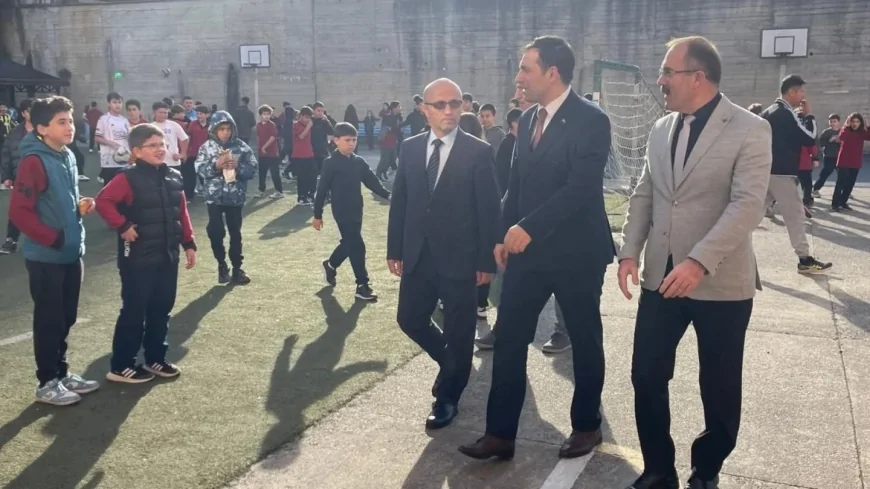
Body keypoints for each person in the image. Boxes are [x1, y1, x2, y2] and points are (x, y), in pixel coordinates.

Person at [618, 36, 773, 489]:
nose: (661, 80)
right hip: (661, 279)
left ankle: (706, 469)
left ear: (698, 77)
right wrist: (629, 251)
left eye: (668, 72)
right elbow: (645, 194)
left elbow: (748, 205)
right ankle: (658, 469)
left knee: (719, 388)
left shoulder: (749, 128)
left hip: (720, 283)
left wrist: (698, 262)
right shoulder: (660, 128)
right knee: (646, 375)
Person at [459, 36, 615, 461]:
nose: (519, 77)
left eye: (526, 68)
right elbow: (516, 185)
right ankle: (500, 434)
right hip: (528, 254)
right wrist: (502, 232)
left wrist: (528, 227)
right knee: (509, 339)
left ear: (552, 72)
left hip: (576, 253)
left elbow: (580, 189)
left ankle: (587, 426)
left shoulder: (591, 120)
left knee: (584, 339)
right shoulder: (527, 119)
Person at [387, 78, 501, 430]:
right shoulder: (410, 148)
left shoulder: (478, 151)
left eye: (455, 103)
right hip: (417, 254)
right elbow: (401, 200)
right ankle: (451, 365)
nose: (449, 110)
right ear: (425, 109)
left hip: (461, 259)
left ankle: (448, 397)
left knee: (460, 330)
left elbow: (489, 210)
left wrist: (486, 261)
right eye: (440, 104)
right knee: (409, 319)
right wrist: (395, 248)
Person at [8, 96, 100, 405]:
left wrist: (80, 205)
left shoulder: (67, 156)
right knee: (49, 319)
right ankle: (46, 382)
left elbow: (59, 199)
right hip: (47, 257)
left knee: (66, 317)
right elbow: (19, 212)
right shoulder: (33, 162)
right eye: (62, 122)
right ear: (42, 128)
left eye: (70, 121)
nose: (70, 126)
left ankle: (61, 373)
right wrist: (54, 238)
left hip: (71, 253)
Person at [95, 124, 197, 383]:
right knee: (134, 310)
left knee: (162, 308)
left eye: (162, 144)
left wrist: (188, 243)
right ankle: (121, 365)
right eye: (152, 145)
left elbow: (181, 212)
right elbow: (103, 201)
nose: (160, 149)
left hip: (167, 254)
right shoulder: (127, 178)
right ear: (137, 151)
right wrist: (123, 226)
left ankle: (155, 358)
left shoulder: (173, 176)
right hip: (137, 257)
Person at [759, 75, 831, 274]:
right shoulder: (785, 112)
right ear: (791, 91)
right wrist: (809, 116)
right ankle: (805, 260)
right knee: (796, 217)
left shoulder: (768, 111)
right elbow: (809, 138)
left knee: (751, 216)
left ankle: (724, 254)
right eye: (800, 91)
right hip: (783, 174)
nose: (802, 96)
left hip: (767, 170)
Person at [313, 122, 390, 301]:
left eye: (354, 140)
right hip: (341, 210)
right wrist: (317, 215)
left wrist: (388, 195)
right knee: (357, 245)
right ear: (336, 140)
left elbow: (372, 181)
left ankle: (330, 264)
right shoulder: (330, 163)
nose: (351, 143)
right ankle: (362, 285)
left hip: (357, 208)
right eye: (347, 140)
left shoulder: (358, 162)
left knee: (349, 243)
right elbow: (322, 189)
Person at [195, 110, 257, 285]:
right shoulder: (206, 147)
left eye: (228, 129)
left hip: (235, 198)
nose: (225, 132)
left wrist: (238, 167)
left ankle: (237, 268)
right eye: (221, 129)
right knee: (215, 232)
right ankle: (222, 265)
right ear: (214, 129)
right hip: (214, 198)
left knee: (235, 233)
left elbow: (252, 168)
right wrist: (215, 165)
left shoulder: (241, 146)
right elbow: (199, 169)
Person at [0, 99, 33, 255]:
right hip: (20, 177)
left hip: (43, 177)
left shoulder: (46, 130)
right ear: (24, 113)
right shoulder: (15, 133)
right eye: (30, 110)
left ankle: (47, 240)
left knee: (45, 209)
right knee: (17, 209)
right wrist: (6, 176)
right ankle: (11, 240)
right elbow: (6, 154)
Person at [831, 112, 870, 211]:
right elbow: (841, 138)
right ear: (849, 122)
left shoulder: (862, 132)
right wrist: (846, 126)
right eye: (853, 121)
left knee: (850, 183)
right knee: (841, 183)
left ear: (860, 123)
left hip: (855, 161)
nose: (855, 124)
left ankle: (843, 202)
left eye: (857, 122)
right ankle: (835, 204)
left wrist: (868, 126)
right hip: (844, 161)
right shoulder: (845, 130)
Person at [94, 92, 130, 186]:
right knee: (109, 187)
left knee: (123, 187)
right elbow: (97, 138)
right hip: (109, 161)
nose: (117, 105)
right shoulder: (104, 119)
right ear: (109, 104)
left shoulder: (124, 120)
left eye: (119, 102)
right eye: (114, 102)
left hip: (124, 160)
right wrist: (110, 143)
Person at [290, 106, 318, 204]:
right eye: (306, 117)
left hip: (309, 154)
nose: (308, 120)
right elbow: (301, 136)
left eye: (309, 118)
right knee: (302, 177)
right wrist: (308, 126)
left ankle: (310, 195)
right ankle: (302, 197)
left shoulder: (309, 124)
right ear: (301, 116)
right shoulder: (296, 125)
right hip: (299, 155)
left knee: (313, 175)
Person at [255, 104, 283, 199]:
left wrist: (264, 147)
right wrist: (260, 148)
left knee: (275, 173)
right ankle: (261, 191)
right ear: (261, 115)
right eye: (264, 114)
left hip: (272, 153)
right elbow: (259, 137)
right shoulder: (258, 125)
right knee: (262, 173)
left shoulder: (272, 125)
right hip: (262, 154)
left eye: (268, 114)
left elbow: (272, 138)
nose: (266, 116)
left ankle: (279, 191)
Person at [185, 105, 211, 200]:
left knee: (204, 175)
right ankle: (189, 195)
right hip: (193, 153)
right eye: (198, 114)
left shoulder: (211, 125)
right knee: (191, 175)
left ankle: (208, 194)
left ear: (207, 115)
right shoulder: (193, 124)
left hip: (206, 154)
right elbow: (187, 136)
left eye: (201, 114)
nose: (199, 116)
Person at [812, 114, 841, 196]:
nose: (832, 123)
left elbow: (846, 143)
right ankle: (815, 189)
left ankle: (843, 190)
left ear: (838, 122)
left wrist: (839, 141)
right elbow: (820, 144)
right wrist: (829, 140)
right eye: (831, 121)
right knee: (825, 174)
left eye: (834, 121)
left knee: (843, 175)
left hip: (840, 157)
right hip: (829, 156)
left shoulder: (842, 131)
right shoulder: (826, 132)